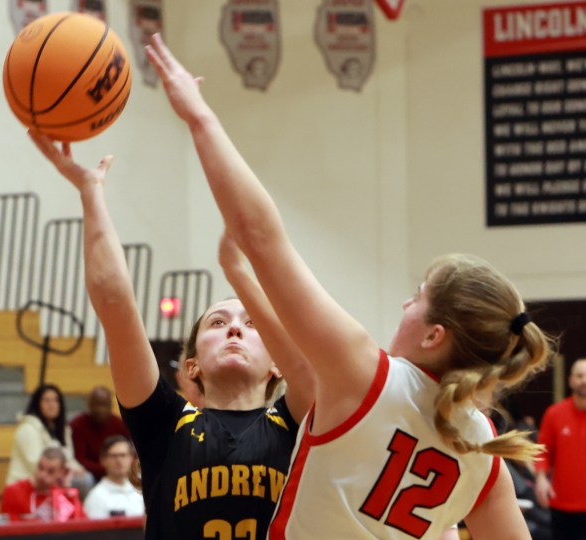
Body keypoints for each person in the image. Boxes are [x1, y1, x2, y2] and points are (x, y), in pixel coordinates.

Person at [144, 33, 552, 539]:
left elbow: (261, 235)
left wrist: (199, 117)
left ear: (434, 334)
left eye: (417, 296)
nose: (405, 303)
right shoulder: (484, 450)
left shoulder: (366, 374)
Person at [26, 132, 316, 539]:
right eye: (217, 322)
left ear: (275, 366)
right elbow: (114, 304)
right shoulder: (165, 424)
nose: (234, 326)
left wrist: (239, 273)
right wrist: (90, 193)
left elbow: (307, 367)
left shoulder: (299, 422)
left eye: (252, 324)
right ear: (192, 363)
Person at [6, 383, 93, 498]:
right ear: (37, 404)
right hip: (25, 487)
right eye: (46, 401)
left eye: (55, 400)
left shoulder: (63, 430)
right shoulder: (27, 428)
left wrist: (79, 469)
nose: (52, 405)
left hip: (53, 482)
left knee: (86, 477)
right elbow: (36, 464)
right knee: (82, 482)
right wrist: (68, 472)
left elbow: (69, 458)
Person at [535, 358, 586, 539]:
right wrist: (541, 477)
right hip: (562, 505)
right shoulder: (554, 413)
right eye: (579, 376)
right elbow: (542, 450)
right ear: (571, 380)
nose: (584, 381)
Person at [0, 447, 86, 521]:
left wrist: (66, 488)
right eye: (40, 467)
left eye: (50, 471)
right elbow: (7, 531)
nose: (42, 475)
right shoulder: (13, 492)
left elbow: (81, 526)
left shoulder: (64, 495)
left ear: (62, 472)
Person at [70, 385, 130, 482]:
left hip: (117, 471)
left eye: (104, 405)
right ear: (89, 405)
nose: (100, 409)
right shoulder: (77, 425)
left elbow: (129, 453)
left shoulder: (120, 425)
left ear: (111, 406)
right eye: (96, 404)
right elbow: (79, 458)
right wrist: (108, 468)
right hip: (90, 474)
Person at [83, 435, 144, 519]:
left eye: (123, 455)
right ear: (102, 460)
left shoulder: (143, 490)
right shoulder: (96, 496)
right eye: (114, 456)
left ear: (131, 458)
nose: (119, 461)